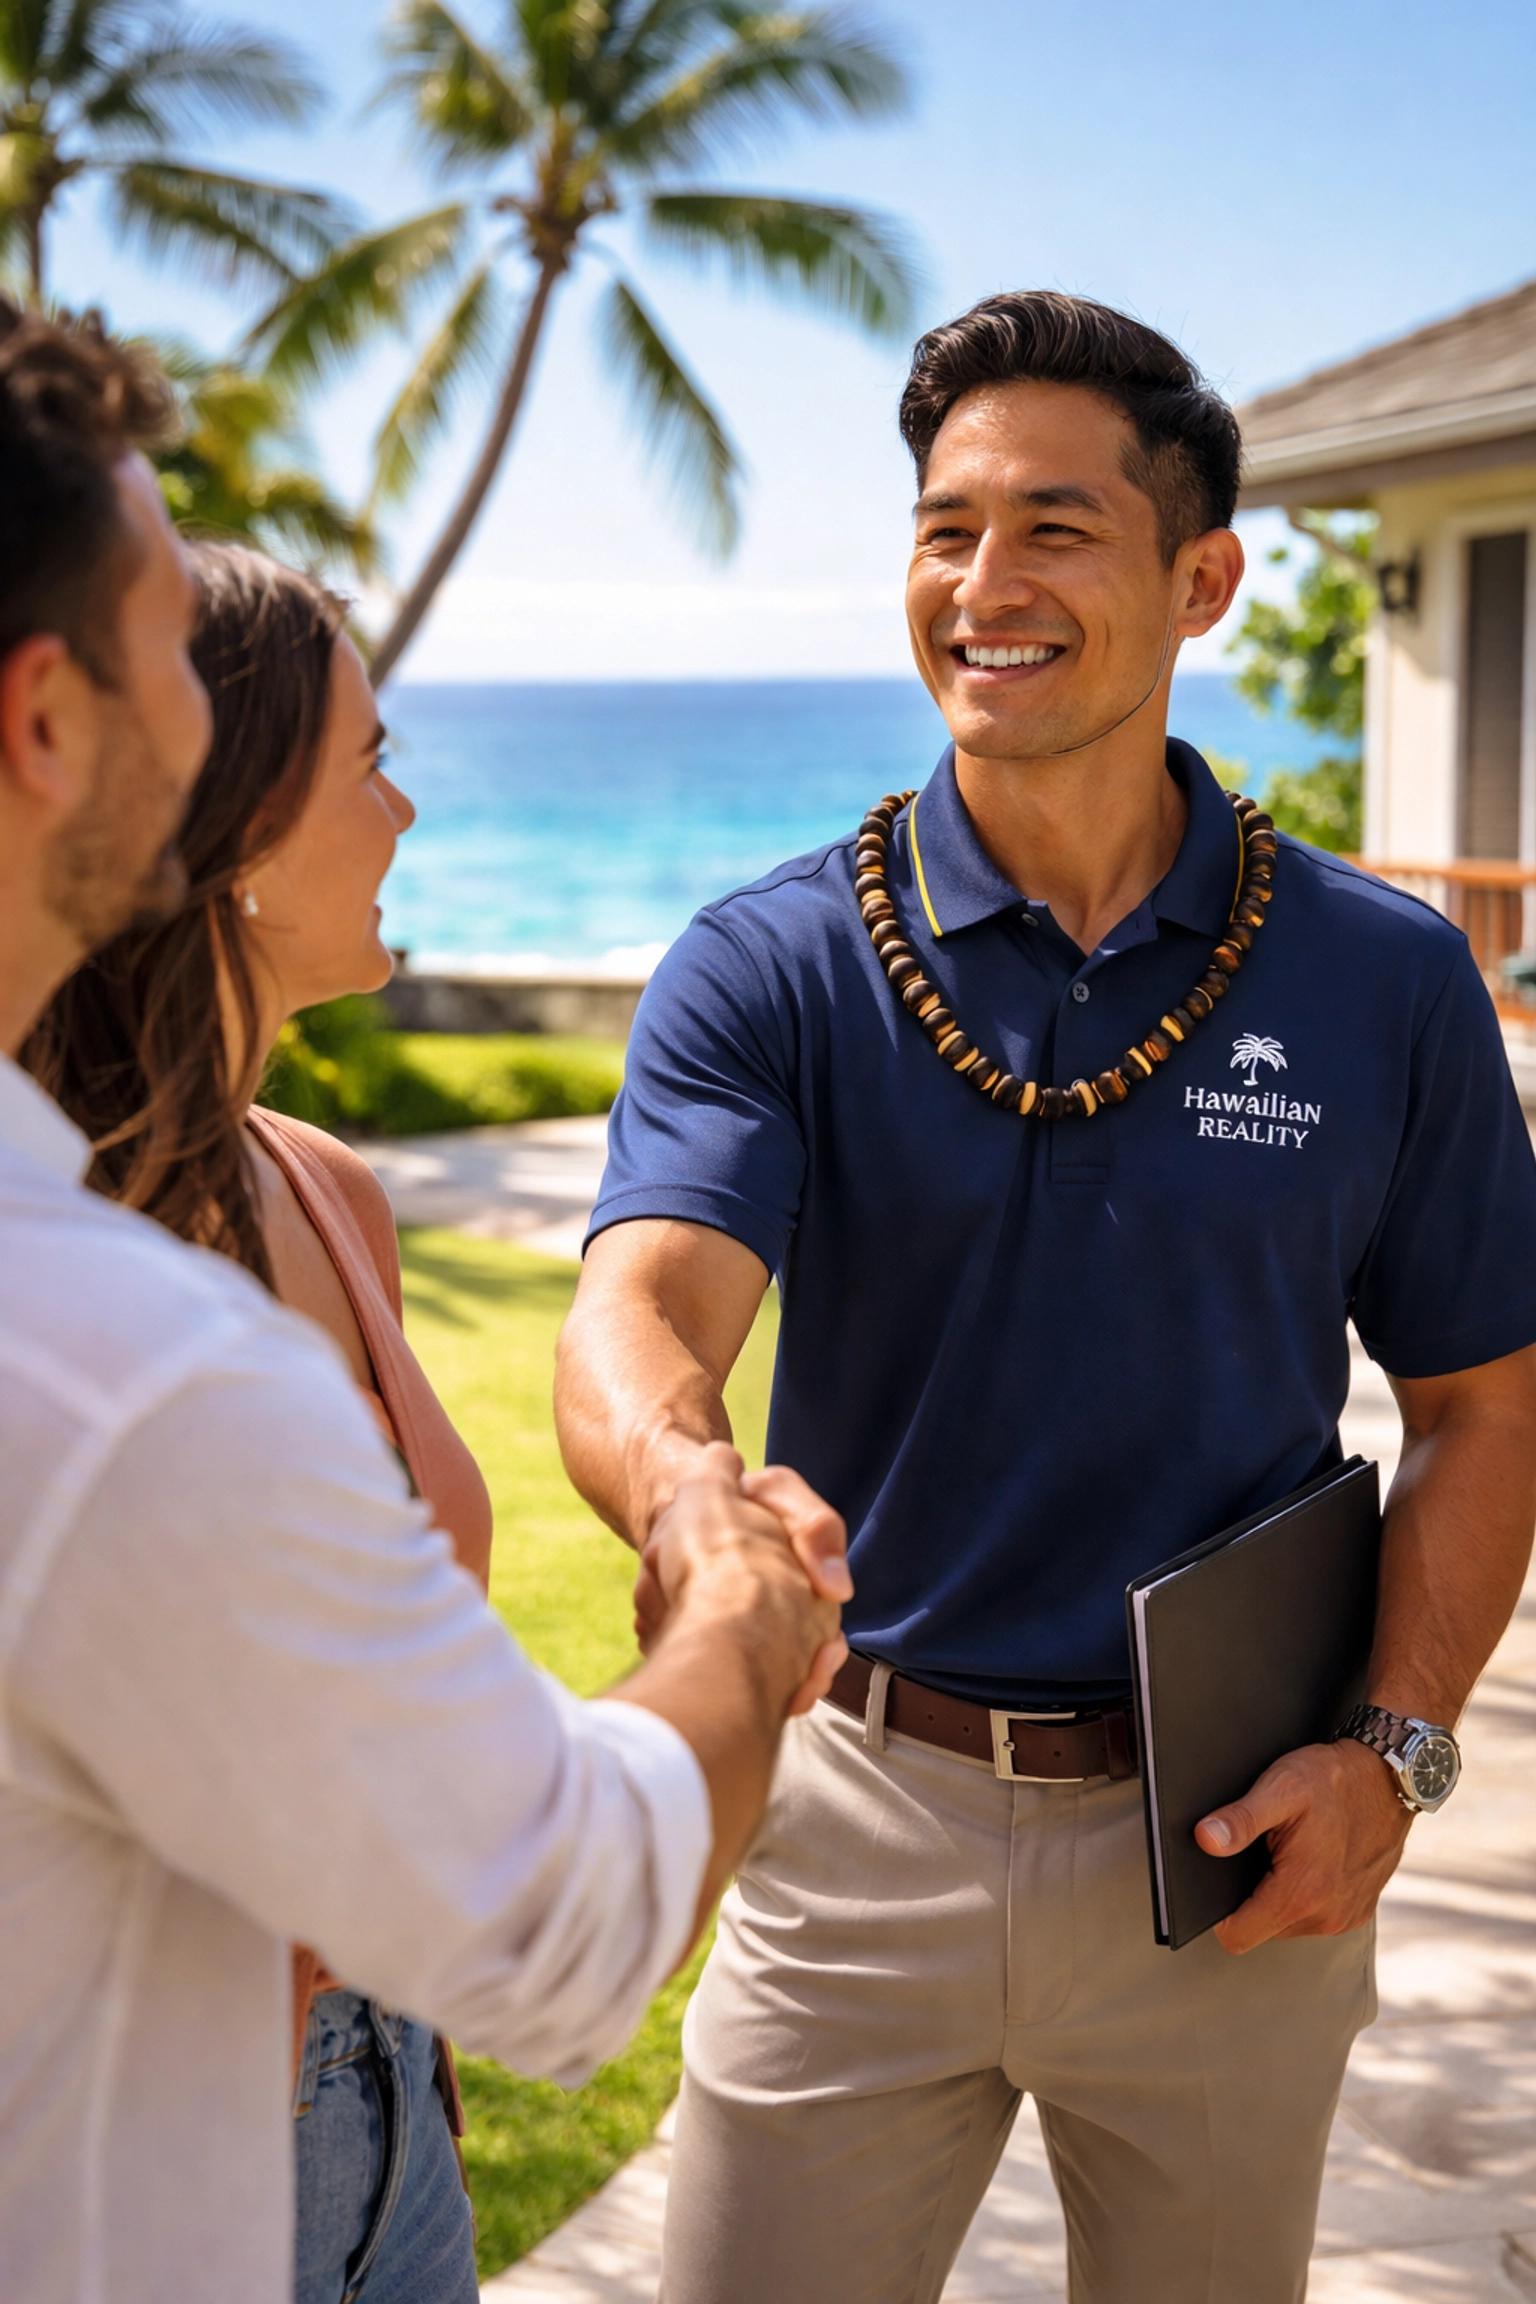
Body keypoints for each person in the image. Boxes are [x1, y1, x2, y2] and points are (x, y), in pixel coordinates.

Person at [555, 290, 1536, 2304]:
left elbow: (1483, 1411)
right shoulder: (773, 967)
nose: (982, 585)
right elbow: (643, 1306)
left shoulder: (1386, 978)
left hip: (1234, 1852)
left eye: (1054, 530)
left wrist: (1396, 1755)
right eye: (944, 527)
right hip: (850, 1820)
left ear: (1204, 582)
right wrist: (684, 1492)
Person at [0, 296, 848, 2304]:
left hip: (377, 2086)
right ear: (50, 722)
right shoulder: (116, 1360)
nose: (195, 718)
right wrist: (735, 1592)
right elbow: (560, 1922)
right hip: (203, 2156)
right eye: (159, 663)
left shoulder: (245, 1244)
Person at [25, 539, 487, 2302]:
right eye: (367, 765)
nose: (406, 813)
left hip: (389, 2094)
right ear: (231, 832)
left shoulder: (328, 1193)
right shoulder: (48, 1247)